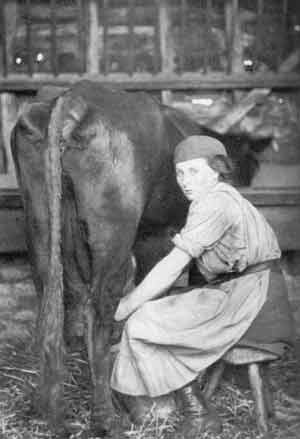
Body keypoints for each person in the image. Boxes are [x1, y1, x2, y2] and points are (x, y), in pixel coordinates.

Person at [110, 135, 294, 436]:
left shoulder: (216, 203)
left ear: (217, 169)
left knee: (143, 319)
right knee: (159, 311)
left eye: (194, 171)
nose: (184, 180)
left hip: (253, 303)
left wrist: (125, 306)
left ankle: (197, 414)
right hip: (252, 295)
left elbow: (173, 266)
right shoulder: (220, 198)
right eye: (180, 172)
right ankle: (167, 405)